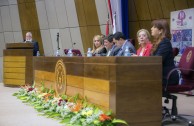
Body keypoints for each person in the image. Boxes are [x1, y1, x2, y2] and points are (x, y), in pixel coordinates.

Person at [150, 19, 179, 86]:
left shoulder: (165, 42)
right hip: (160, 75)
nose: (151, 28)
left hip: (167, 77)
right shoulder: (157, 42)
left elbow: (156, 60)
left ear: (160, 31)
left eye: (154, 27)